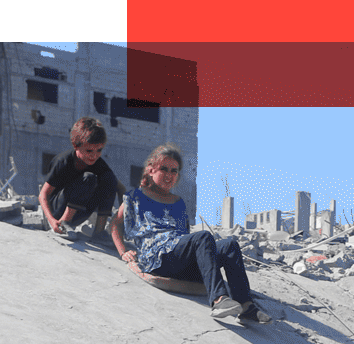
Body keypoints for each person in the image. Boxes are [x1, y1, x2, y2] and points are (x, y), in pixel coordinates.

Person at [110, 143, 260, 323]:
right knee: (203, 236)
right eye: (164, 169)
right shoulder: (136, 197)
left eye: (174, 171)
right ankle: (219, 300)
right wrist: (122, 251)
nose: (169, 175)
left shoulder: (178, 203)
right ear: (150, 170)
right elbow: (115, 224)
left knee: (229, 244)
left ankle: (246, 307)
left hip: (178, 261)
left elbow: (184, 239)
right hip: (157, 259)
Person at [40, 117, 121, 239]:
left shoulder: (98, 163)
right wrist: (51, 220)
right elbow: (43, 194)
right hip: (56, 211)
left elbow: (114, 186)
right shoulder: (63, 161)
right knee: (88, 178)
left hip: (78, 214)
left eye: (99, 150)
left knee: (110, 179)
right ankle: (63, 223)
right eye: (89, 150)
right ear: (75, 145)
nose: (94, 155)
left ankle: (99, 232)